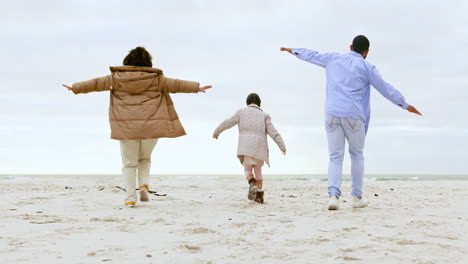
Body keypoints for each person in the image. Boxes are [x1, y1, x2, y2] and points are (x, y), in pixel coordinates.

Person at [280, 35, 422, 210]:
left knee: (335, 156)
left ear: (350, 47)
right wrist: (405, 105)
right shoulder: (366, 66)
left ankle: (333, 196)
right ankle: (356, 197)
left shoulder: (333, 58)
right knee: (356, 155)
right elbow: (386, 89)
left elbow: (313, 55)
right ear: (366, 52)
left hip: (332, 114)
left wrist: (293, 50)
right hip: (354, 116)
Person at [63, 47, 212, 208]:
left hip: (126, 127)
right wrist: (196, 88)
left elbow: (95, 84)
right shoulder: (156, 79)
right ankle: (144, 186)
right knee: (145, 159)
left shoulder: (115, 78)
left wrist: (75, 88)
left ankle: (130, 198)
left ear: (127, 61)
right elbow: (176, 84)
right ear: (148, 63)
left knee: (129, 164)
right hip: (151, 126)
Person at [213, 93, 286, 203]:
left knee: (247, 169)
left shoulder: (241, 112)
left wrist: (217, 132)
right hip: (260, 147)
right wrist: (282, 146)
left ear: (247, 103)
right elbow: (273, 132)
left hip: (246, 146)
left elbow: (227, 122)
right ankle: (259, 195)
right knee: (258, 170)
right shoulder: (265, 115)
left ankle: (252, 183)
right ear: (259, 104)